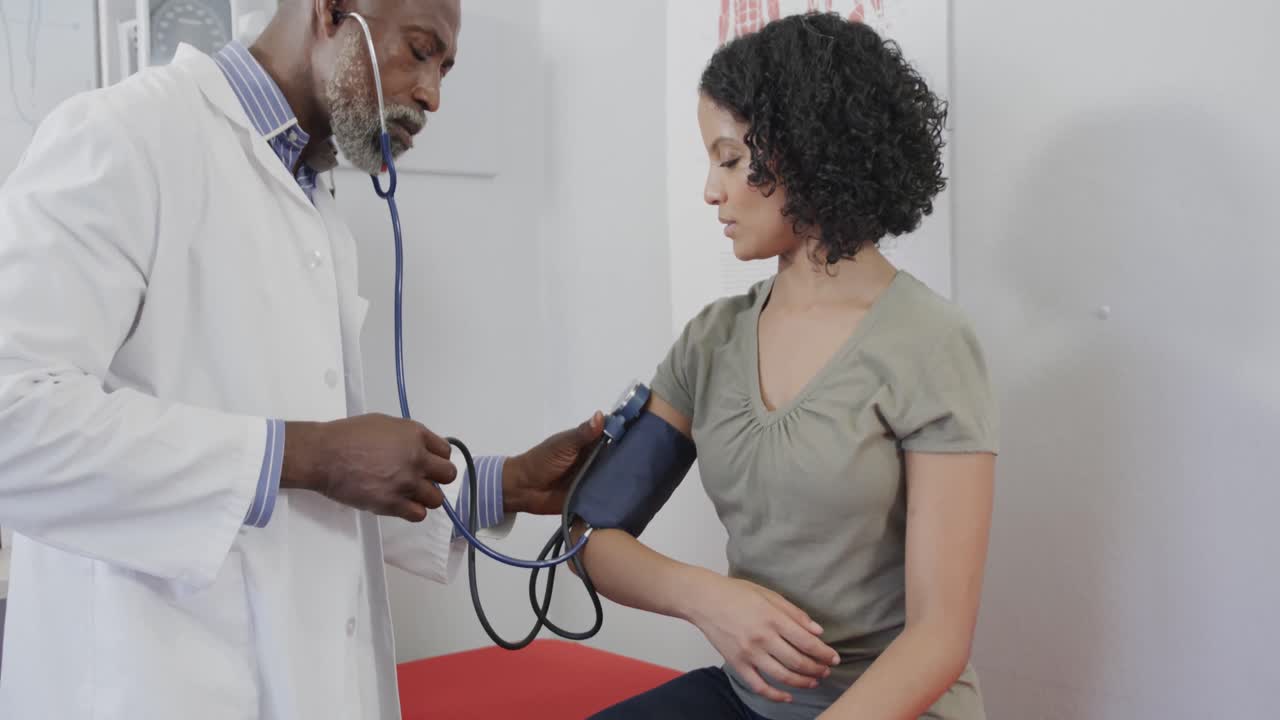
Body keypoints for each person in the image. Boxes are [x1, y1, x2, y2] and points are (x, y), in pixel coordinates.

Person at [0, 1, 603, 718]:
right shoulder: (122, 136)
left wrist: (501, 487)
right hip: (146, 685)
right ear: (331, 12)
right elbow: (15, 420)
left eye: (445, 68)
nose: (433, 94)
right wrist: (310, 454)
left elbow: (320, 477)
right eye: (420, 51)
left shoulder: (313, 203)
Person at [579, 13, 998, 720]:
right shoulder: (711, 341)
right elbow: (592, 535)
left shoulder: (930, 343)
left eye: (729, 159)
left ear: (805, 151)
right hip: (751, 700)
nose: (711, 190)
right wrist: (708, 598)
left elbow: (940, 638)